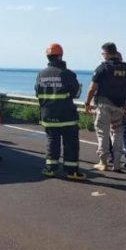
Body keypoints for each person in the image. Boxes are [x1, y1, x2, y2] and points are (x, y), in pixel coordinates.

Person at [83, 42, 126, 172]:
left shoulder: (102, 68)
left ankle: (103, 162)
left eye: (103, 53)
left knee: (103, 132)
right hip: (120, 107)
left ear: (106, 53)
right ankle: (117, 163)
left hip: (103, 105)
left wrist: (87, 103)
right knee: (118, 133)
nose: (102, 56)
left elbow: (92, 88)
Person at [35, 43, 85, 180]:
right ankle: (72, 171)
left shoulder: (41, 74)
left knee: (52, 142)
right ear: (60, 56)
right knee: (71, 144)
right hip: (66, 115)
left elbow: (37, 92)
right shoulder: (67, 74)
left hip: (48, 115)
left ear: (48, 57)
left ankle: (50, 168)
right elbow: (76, 93)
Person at [109, 52, 126, 169]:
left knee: (124, 132)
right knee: (113, 132)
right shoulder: (116, 70)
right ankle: (113, 156)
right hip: (113, 107)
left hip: (123, 107)